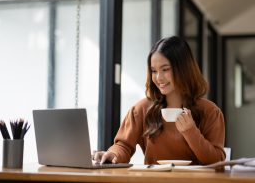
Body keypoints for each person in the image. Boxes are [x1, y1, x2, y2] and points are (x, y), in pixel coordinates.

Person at [94, 36, 225, 165]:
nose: (158, 77)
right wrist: (113, 154)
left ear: (184, 69)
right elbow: (123, 146)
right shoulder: (141, 110)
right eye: (153, 71)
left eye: (165, 69)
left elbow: (217, 161)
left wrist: (191, 132)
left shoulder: (210, 111)